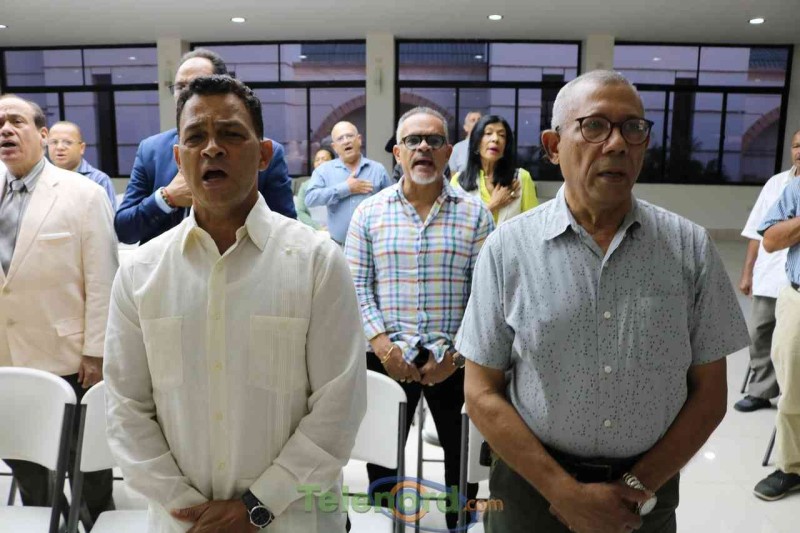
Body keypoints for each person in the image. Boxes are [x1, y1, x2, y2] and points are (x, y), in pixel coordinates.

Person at [456, 70, 749, 533]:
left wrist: (636, 484)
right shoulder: (508, 249)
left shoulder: (688, 248)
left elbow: (710, 395)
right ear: (554, 146)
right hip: (531, 490)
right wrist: (564, 492)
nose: (617, 144)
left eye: (633, 128)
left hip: (646, 494)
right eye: (594, 126)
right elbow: (480, 391)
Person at [104, 75, 366, 533]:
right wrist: (190, 513)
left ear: (263, 155)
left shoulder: (317, 262)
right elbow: (126, 409)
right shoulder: (141, 273)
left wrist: (256, 508)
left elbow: (339, 408)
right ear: (179, 158)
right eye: (195, 137)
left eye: (230, 133)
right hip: (182, 525)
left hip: (294, 521)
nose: (212, 148)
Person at [346, 106, 493, 531]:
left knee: (463, 465)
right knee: (381, 470)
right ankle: (390, 518)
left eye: (434, 140)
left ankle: (459, 521)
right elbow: (356, 287)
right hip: (386, 357)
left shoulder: (476, 215)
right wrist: (383, 347)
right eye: (413, 140)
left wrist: (457, 356)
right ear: (398, 152)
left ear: (448, 152)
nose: (423, 147)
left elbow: (485, 295)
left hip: (456, 359)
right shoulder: (369, 213)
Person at [0, 94, 118, 522]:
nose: (5, 129)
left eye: (16, 121)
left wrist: (96, 351)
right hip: (6, 357)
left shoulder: (83, 194)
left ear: (43, 134)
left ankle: (96, 519)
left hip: (69, 357)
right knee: (23, 459)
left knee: (85, 465)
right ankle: (50, 519)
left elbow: (103, 278)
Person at [114, 48, 296, 245]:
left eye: (198, 84)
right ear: (178, 157)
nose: (187, 93)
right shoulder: (151, 150)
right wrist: (167, 198)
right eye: (180, 86)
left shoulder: (258, 151)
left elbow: (286, 230)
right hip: (164, 262)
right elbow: (125, 230)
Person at [735, 129, 800, 412]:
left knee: (791, 342)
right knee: (760, 333)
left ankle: (790, 392)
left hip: (795, 281)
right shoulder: (776, 184)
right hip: (770, 275)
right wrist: (747, 273)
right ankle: (760, 391)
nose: (799, 151)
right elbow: (756, 232)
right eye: (796, 146)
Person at [753, 131, 800, 501]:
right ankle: (792, 468)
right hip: (798, 299)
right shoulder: (795, 189)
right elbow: (769, 239)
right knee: (794, 391)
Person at [305, 121, 392, 246]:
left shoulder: (377, 170)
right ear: (334, 147)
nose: (346, 141)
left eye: (350, 136)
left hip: (373, 246)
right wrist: (346, 188)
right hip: (339, 246)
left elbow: (391, 204)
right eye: (340, 138)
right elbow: (310, 199)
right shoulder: (323, 171)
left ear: (359, 140)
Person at [451, 114, 538, 225]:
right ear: (477, 143)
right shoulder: (459, 181)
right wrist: (493, 205)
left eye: (502, 135)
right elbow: (455, 228)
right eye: (488, 133)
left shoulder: (521, 178)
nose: (495, 139)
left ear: (506, 146)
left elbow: (533, 224)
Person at [47, 120, 117, 209]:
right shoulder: (42, 178)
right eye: (54, 142)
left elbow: (108, 216)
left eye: (67, 142)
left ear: (81, 148)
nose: (59, 147)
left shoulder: (98, 180)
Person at [295, 147, 334, 229]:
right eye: (317, 160)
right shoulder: (305, 186)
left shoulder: (339, 183)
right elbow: (300, 211)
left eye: (324, 159)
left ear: (333, 162)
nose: (320, 162)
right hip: (313, 230)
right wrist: (318, 228)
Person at [448, 110, 481, 175]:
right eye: (473, 120)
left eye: (479, 120)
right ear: (466, 127)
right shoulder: (457, 148)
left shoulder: (489, 146)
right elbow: (453, 176)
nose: (477, 123)